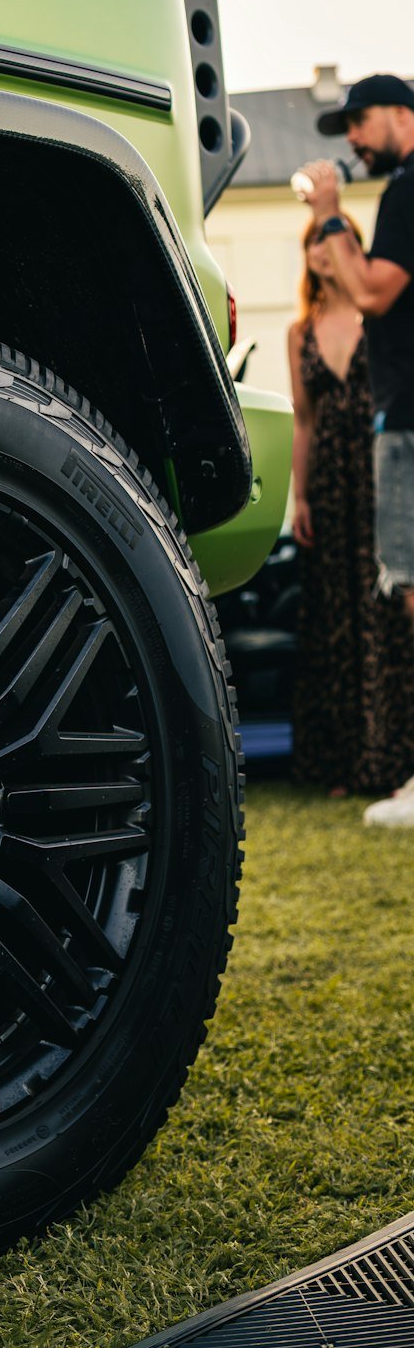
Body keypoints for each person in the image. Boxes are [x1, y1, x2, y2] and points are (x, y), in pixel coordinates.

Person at [298, 72, 414, 824]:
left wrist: (334, 214)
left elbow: (373, 291)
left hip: (410, 420)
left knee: (412, 588)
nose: (353, 140)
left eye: (360, 122)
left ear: (402, 114)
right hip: (399, 422)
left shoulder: (406, 192)